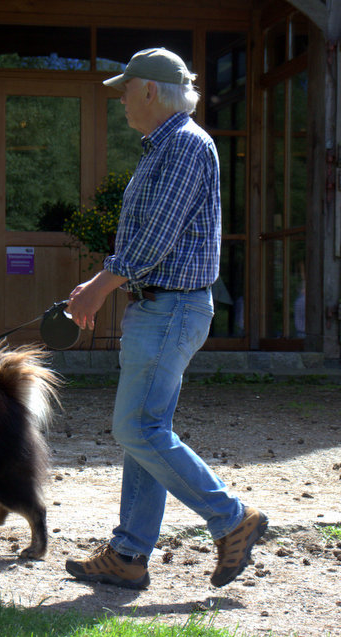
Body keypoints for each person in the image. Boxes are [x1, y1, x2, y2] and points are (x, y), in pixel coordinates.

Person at [63, 48, 268, 590]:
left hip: (171, 305)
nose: (122, 98)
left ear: (150, 91)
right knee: (145, 431)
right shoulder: (166, 147)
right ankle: (129, 554)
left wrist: (99, 287)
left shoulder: (183, 146)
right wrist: (106, 284)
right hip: (160, 305)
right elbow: (149, 237)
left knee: (137, 427)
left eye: (126, 89)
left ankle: (231, 518)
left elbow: (156, 238)